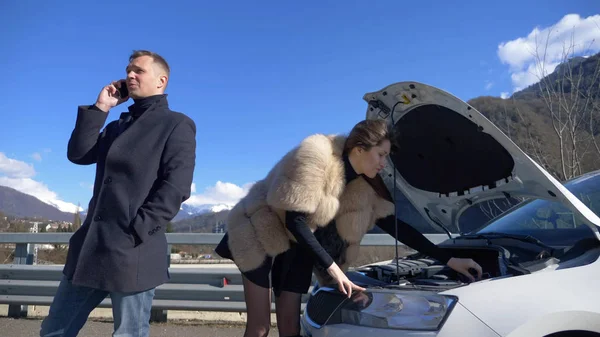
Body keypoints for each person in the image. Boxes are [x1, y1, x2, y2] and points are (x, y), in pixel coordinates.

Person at [215, 119, 482, 337]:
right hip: (260, 230)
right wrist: (332, 268)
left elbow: (398, 227)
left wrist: (449, 259)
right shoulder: (316, 155)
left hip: (298, 243)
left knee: (290, 328)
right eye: (381, 155)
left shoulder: (364, 188)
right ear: (359, 149)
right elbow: (294, 219)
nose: (383, 163)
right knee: (260, 328)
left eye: (386, 156)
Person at [40, 50, 196, 337]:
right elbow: (78, 154)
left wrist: (136, 230)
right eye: (127, 70)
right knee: (54, 330)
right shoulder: (116, 126)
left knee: (129, 334)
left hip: (131, 252)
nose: (129, 75)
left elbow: (176, 187)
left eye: (138, 70)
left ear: (161, 81)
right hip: (90, 249)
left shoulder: (176, 124)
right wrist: (101, 107)